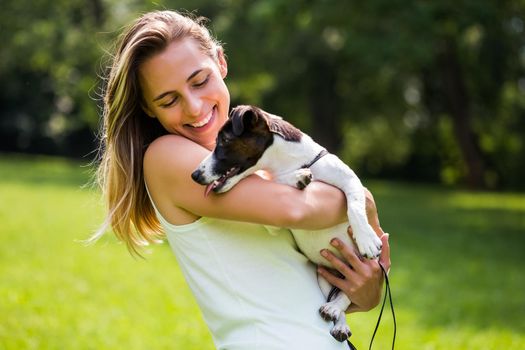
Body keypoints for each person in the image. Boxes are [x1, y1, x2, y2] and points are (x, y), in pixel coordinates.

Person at [93, 9, 391, 350]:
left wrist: (363, 293)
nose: (193, 107)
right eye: (169, 99)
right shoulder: (166, 157)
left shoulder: (253, 169)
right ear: (148, 108)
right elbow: (294, 210)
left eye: (199, 81)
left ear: (221, 62)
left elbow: (296, 286)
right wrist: (359, 197)